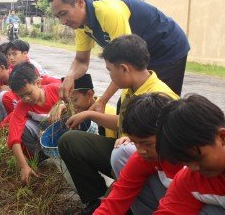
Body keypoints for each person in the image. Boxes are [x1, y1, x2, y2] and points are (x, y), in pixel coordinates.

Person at [57, 34, 178, 214]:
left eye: (109, 70)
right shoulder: (131, 88)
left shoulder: (160, 98)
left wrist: (131, 143)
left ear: (124, 69)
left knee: (123, 153)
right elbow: (123, 124)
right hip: (123, 154)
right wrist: (88, 114)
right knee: (70, 141)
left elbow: (164, 149)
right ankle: (95, 201)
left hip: (148, 162)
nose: (110, 76)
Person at [48, 0, 190, 109]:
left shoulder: (108, 11)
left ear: (79, 2)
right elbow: (81, 61)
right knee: (127, 107)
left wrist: (103, 100)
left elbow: (125, 63)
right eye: (58, 17)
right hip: (140, 55)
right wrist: (70, 77)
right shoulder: (81, 26)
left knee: (159, 107)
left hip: (166, 48)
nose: (63, 21)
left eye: (63, 13)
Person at [155, 94, 225, 214]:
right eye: (185, 162)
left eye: (198, 158)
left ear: (223, 137)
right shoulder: (191, 178)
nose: (193, 168)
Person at [94, 93, 183, 215]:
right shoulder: (145, 158)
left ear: (168, 132)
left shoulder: (193, 161)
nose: (140, 150)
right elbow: (117, 197)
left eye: (147, 144)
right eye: (135, 142)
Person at [0, 62, 60, 184]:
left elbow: (80, 99)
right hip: (46, 131)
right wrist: (24, 166)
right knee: (24, 127)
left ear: (38, 83)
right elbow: (14, 137)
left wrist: (61, 106)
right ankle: (41, 158)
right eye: (21, 96)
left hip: (65, 129)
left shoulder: (56, 90)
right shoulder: (23, 105)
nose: (26, 98)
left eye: (28, 93)